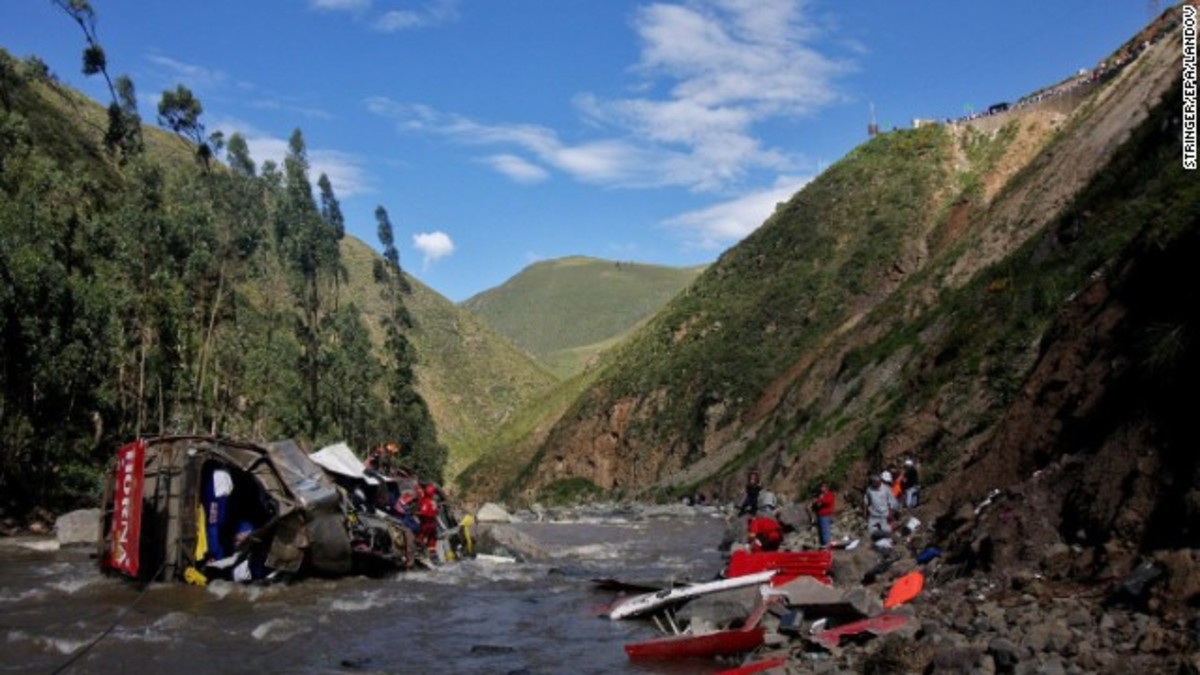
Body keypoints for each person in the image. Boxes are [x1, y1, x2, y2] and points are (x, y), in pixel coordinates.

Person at [202, 466, 234, 562]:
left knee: (215, 526)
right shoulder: (221, 474)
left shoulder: (218, 475)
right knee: (215, 526)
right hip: (217, 499)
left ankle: (214, 555)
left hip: (216, 500)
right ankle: (215, 555)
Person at [810, 482, 836, 548]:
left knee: (825, 531)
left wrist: (819, 500)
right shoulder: (821, 495)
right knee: (821, 531)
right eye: (821, 487)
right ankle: (822, 545)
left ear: (826, 488)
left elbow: (827, 502)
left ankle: (827, 544)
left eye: (823, 487)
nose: (821, 489)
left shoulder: (829, 494)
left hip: (825, 515)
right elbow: (816, 505)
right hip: (819, 515)